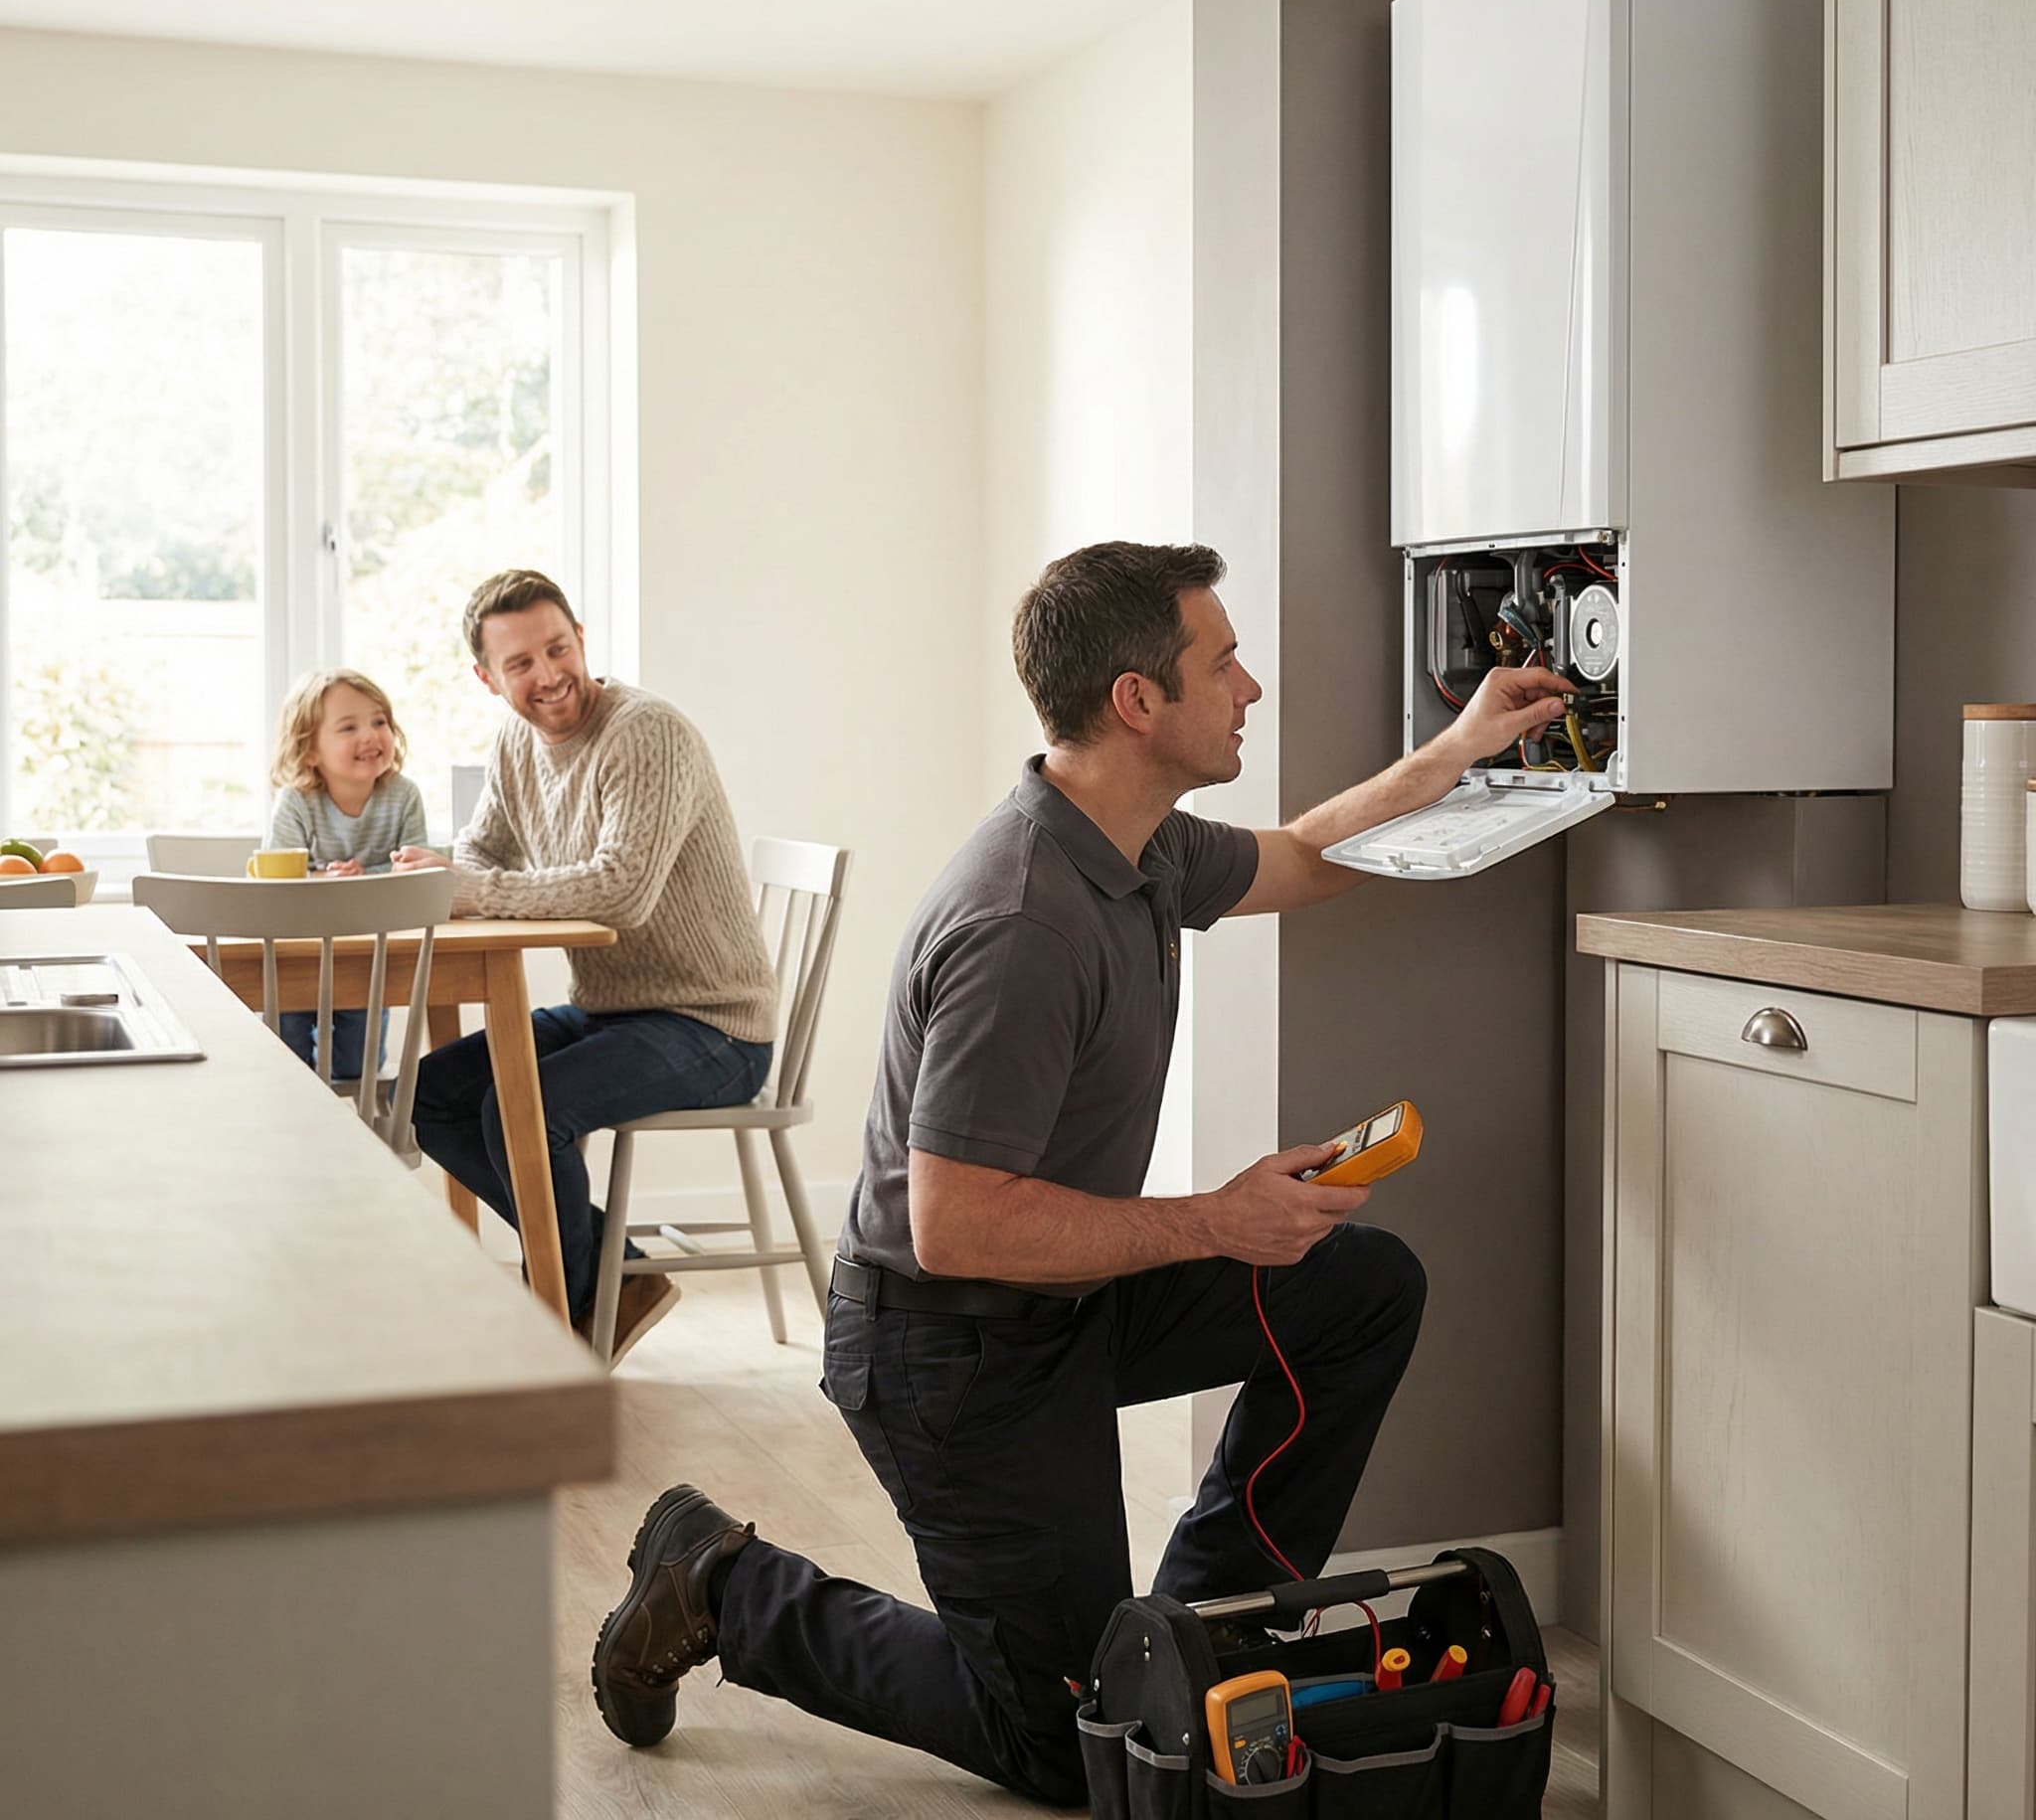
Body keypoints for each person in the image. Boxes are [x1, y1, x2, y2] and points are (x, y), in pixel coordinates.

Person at [588, 541, 1575, 1801]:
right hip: (947, 1348)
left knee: (1358, 1284)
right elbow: (951, 1226)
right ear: (1136, 702)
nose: (1250, 687)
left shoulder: (1137, 841)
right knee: (1068, 1749)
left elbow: (1302, 855)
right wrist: (1217, 1216)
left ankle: (1193, 1639)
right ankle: (722, 1581)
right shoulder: (1023, 920)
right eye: (1221, 662)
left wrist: (1457, 750)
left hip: (1062, 1303)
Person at [394, 570, 777, 1363]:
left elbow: (622, 892)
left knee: (521, 1109)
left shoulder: (646, 731)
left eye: (557, 648)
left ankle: (563, 1327)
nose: (548, 676)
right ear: (487, 679)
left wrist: (470, 890)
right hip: (613, 1010)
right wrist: (440, 874)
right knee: (430, 1096)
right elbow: (483, 853)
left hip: (715, 1022)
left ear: (581, 639)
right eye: (521, 664)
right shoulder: (514, 744)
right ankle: (609, 1272)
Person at [267, 667, 424, 1083]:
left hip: (367, 957)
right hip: (296, 956)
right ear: (310, 750)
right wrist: (326, 880)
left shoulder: (403, 796)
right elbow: (277, 880)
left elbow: (415, 870)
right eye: (348, 727)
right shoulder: (297, 801)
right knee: (289, 1062)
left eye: (379, 721)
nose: (370, 735)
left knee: (358, 1069)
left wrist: (365, 874)